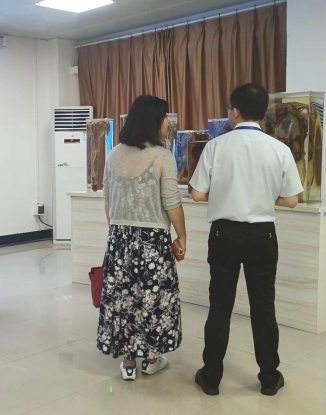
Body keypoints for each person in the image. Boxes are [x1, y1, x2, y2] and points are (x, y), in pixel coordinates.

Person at [189, 83, 303, 396]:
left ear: (236, 111)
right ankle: (269, 378)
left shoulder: (216, 146)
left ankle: (211, 377)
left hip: (223, 234)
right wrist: (264, 197)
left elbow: (197, 194)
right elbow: (292, 200)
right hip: (262, 235)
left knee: (220, 306)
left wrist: (223, 194)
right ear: (263, 113)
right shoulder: (278, 149)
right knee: (263, 306)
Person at [98, 95, 187, 381]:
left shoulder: (114, 154)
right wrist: (181, 236)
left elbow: (108, 200)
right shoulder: (162, 156)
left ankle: (128, 364)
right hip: (153, 241)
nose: (168, 123)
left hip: (119, 239)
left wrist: (118, 231)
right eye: (165, 117)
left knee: (124, 298)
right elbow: (171, 202)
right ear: (153, 121)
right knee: (152, 298)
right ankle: (150, 359)